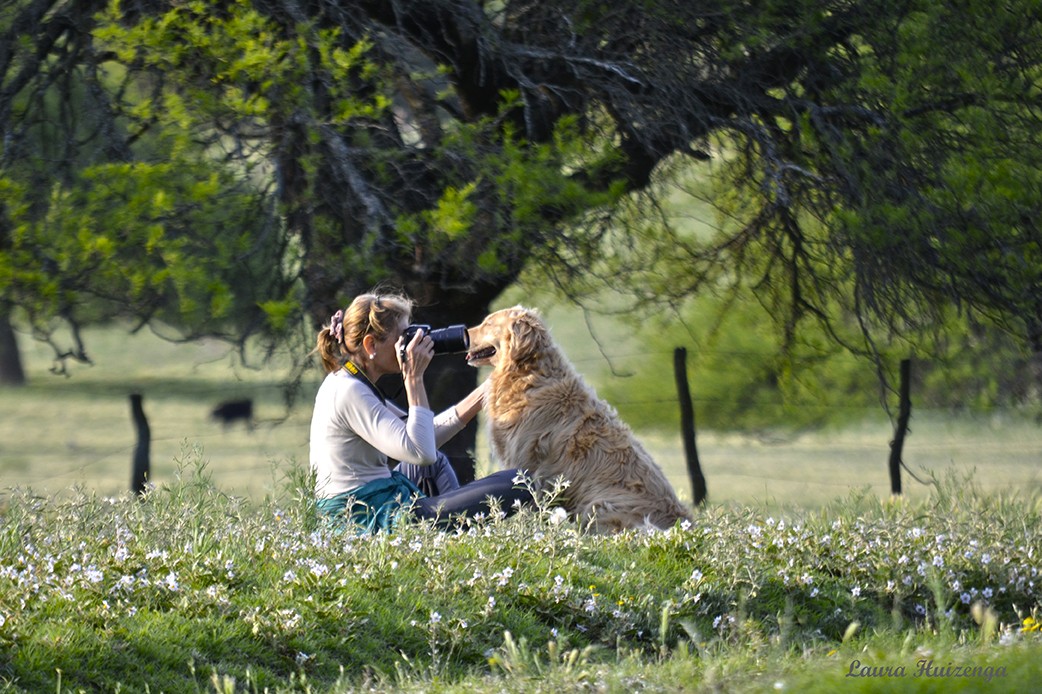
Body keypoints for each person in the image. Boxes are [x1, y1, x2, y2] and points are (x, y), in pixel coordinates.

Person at [309, 291, 532, 532]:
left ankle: (456, 539)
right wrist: (413, 378)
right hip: (365, 519)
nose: (409, 345)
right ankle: (457, 537)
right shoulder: (348, 391)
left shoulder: (349, 382)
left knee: (434, 464)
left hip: (376, 502)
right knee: (520, 481)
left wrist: (487, 391)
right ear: (371, 345)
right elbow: (421, 452)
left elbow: (422, 439)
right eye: (402, 337)